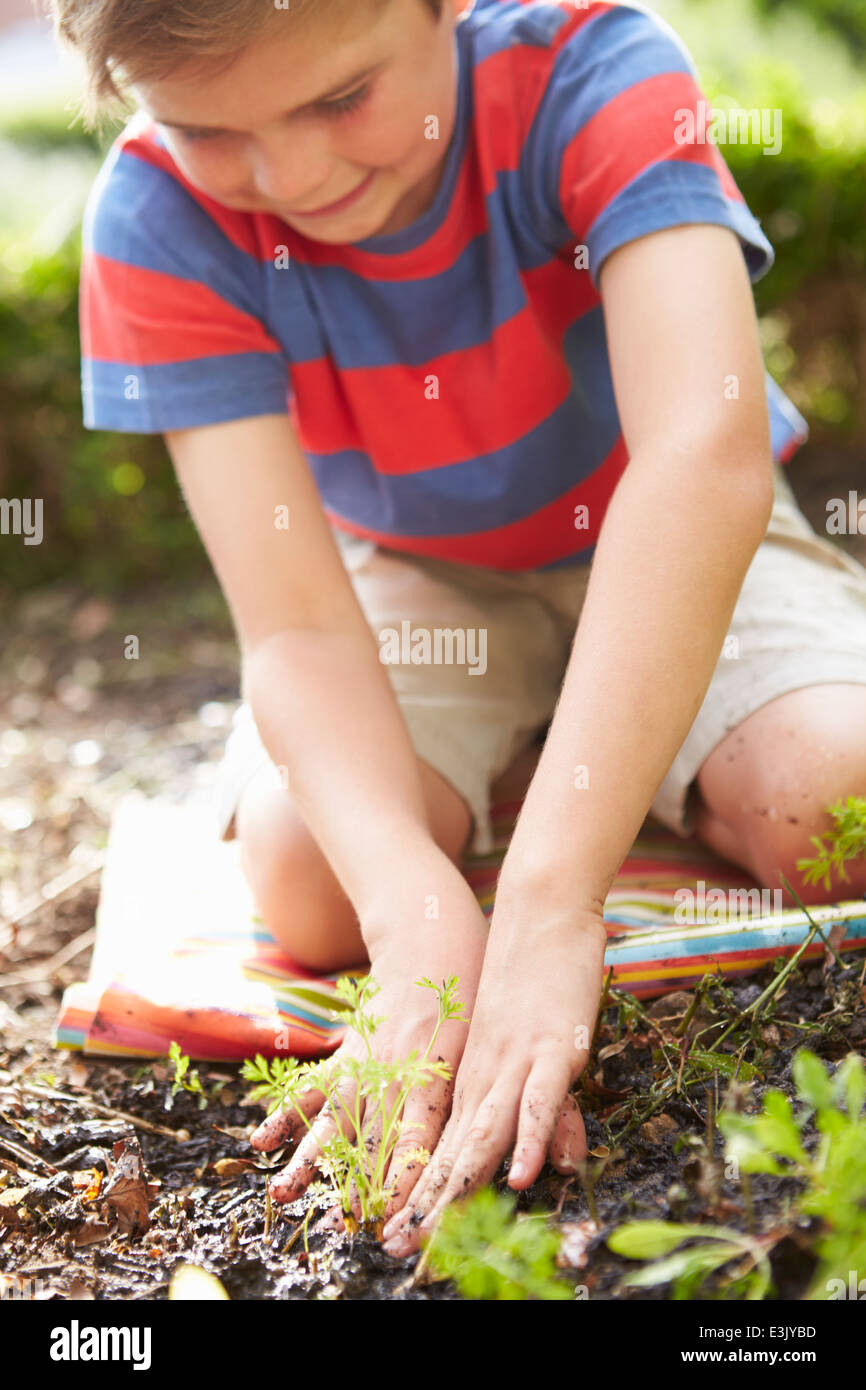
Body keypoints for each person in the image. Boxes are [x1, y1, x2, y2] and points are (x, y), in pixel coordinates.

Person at [53, 0, 866, 1257]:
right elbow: (299, 633)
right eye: (211, 128)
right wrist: (421, 928)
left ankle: (582, 771)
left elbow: (698, 464)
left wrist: (548, 899)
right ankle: (600, 759)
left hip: (673, 539)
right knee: (312, 884)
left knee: (836, 806)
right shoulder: (155, 218)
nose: (296, 176)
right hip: (425, 573)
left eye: (337, 100)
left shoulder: (596, 72)